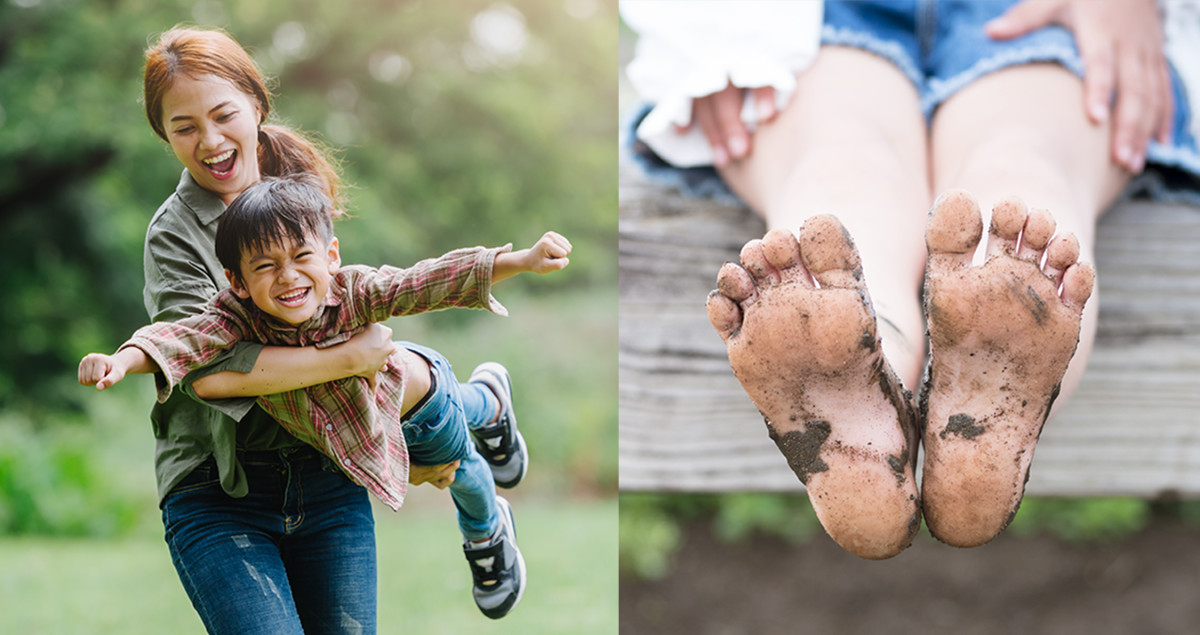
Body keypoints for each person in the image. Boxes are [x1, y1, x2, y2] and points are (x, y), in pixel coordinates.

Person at [622, 0, 1200, 559]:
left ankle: (885, 355)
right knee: (1024, 174)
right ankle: (983, 403)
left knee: (839, 174)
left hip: (818, 23)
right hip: (1015, 23)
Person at [121, 25, 501, 633]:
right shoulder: (175, 233)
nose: (210, 141)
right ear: (163, 134)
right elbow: (210, 369)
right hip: (223, 487)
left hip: (324, 473)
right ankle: (480, 416)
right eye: (184, 127)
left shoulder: (297, 190)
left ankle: (478, 421)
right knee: (395, 364)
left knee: (416, 375)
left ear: (257, 105)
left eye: (224, 116)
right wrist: (354, 360)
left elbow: (363, 297)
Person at [80, 176, 571, 618]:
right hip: (355, 430)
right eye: (266, 266)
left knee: (457, 463)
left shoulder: (355, 291)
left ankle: (488, 474)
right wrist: (120, 360)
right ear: (237, 281)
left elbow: (425, 281)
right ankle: (487, 401)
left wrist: (521, 261)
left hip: (414, 404)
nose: (288, 276)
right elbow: (180, 338)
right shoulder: (234, 319)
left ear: (331, 255)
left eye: (301, 257)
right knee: (457, 443)